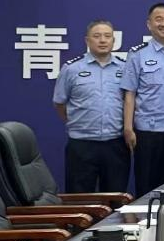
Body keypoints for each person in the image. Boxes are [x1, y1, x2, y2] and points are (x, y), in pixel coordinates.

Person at [53, 20, 130, 193]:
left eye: (107, 36)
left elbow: (130, 101)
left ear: (113, 41)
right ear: (87, 40)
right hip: (82, 145)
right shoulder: (71, 69)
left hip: (115, 144)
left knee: (115, 197)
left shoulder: (125, 68)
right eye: (97, 36)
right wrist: (78, 123)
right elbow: (60, 103)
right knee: (79, 197)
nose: (102, 40)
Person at [121, 2, 164, 196]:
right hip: (146, 132)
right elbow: (130, 94)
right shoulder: (137, 54)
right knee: (146, 187)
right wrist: (128, 128)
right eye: (158, 19)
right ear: (149, 24)